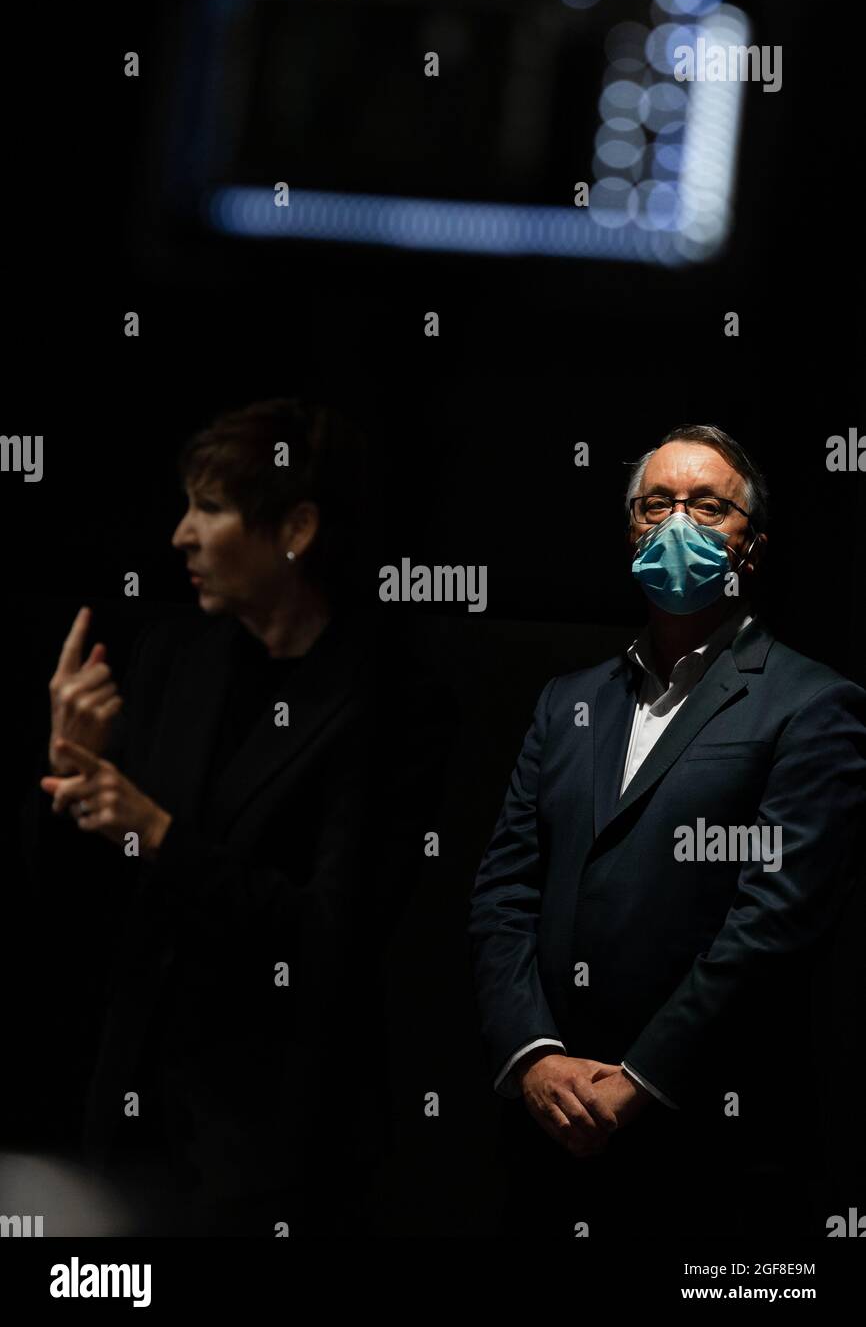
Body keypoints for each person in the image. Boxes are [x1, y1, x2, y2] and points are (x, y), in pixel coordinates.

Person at [29, 397, 453, 1235]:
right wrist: (69, 772)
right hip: (129, 1118)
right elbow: (79, 908)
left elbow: (328, 938)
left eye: (210, 508)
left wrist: (158, 833)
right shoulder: (173, 657)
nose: (181, 534)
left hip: (276, 1152)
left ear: (296, 527)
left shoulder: (388, 703)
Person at [468, 423, 866, 1239]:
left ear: (749, 544)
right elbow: (504, 887)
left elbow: (774, 923)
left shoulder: (811, 704)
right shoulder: (565, 700)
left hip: (709, 1146)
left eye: (708, 506)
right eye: (658, 503)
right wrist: (534, 1055)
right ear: (630, 531)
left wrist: (640, 1079)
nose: (677, 522)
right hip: (543, 1132)